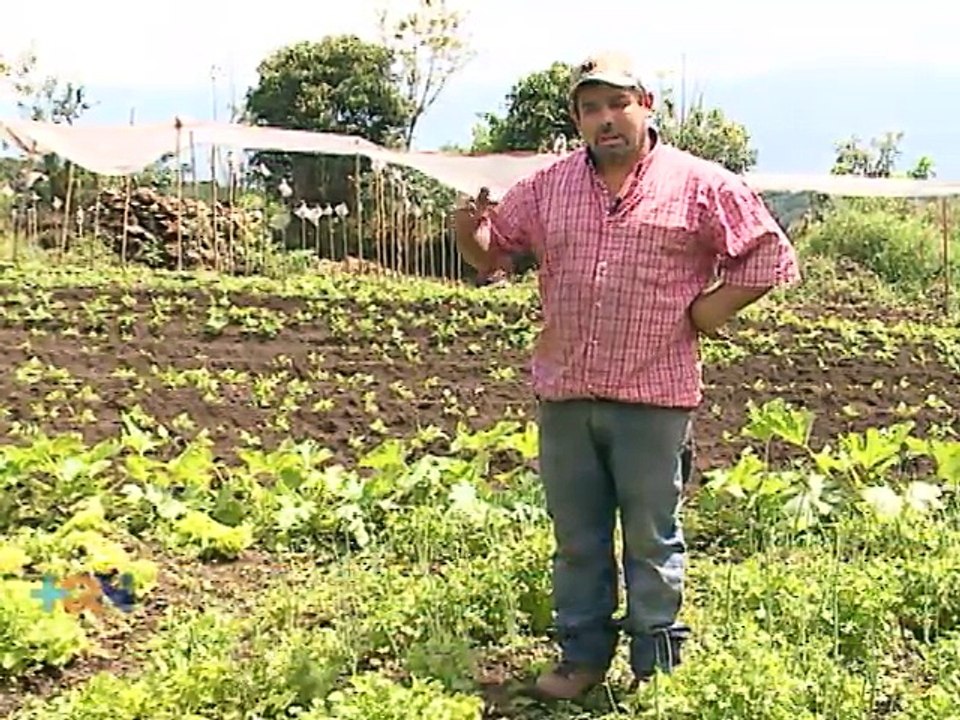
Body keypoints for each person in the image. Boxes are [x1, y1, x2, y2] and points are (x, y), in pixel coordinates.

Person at [453, 51, 800, 701]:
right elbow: (494, 256)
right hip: (565, 394)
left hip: (654, 395)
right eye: (590, 108)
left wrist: (705, 312)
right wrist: (465, 231)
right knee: (577, 540)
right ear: (578, 119)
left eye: (617, 103)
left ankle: (657, 670)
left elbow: (767, 256)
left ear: (646, 103)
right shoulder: (547, 186)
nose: (605, 119)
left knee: (651, 538)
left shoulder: (700, 184)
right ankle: (580, 661)